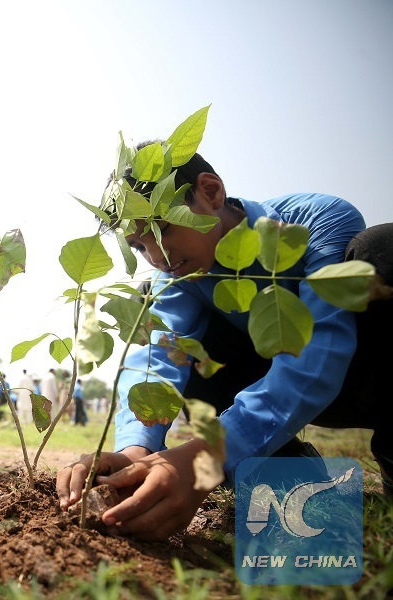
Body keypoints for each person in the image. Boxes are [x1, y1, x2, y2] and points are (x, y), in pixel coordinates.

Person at [57, 147, 393, 540]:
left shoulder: (316, 221)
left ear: (211, 192)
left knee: (382, 248)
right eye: (139, 246)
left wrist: (207, 456)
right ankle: (286, 472)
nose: (157, 256)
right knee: (173, 327)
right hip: (269, 391)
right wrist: (135, 451)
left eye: (162, 229)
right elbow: (157, 359)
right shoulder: (175, 277)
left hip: (363, 379)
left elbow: (320, 354)